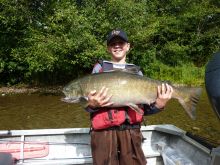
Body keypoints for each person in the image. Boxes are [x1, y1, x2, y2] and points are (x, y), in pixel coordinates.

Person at [86, 29, 173, 165]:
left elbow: (145, 110)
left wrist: (159, 105)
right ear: (108, 48)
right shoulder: (99, 70)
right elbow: (87, 106)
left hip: (131, 133)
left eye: (121, 42)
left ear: (128, 46)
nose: (117, 46)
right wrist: (92, 105)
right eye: (113, 43)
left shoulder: (138, 73)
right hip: (103, 134)